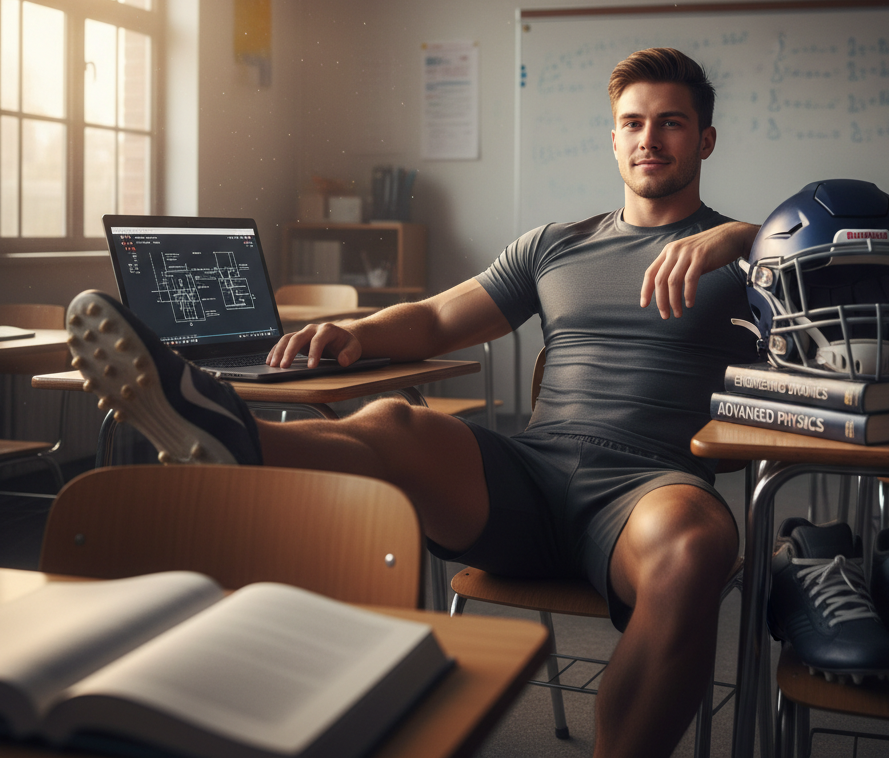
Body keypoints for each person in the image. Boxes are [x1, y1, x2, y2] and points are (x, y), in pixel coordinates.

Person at [66, 47, 760, 758]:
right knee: (398, 421)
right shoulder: (556, 246)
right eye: (633, 123)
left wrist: (748, 238)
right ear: (612, 138)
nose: (650, 139)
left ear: (704, 140)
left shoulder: (754, 259)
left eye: (671, 123)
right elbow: (435, 318)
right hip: (528, 477)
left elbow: (877, 262)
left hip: (647, 490)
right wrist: (355, 332)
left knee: (697, 543)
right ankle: (230, 434)